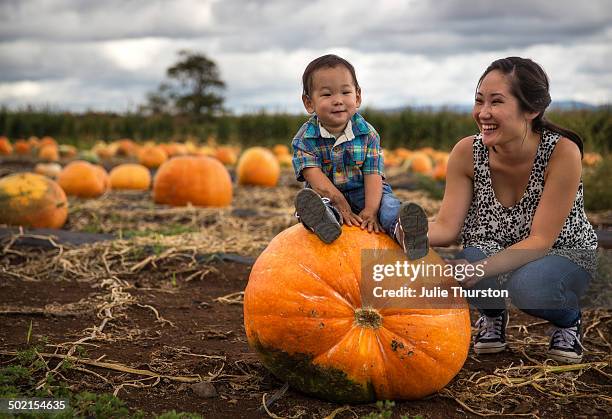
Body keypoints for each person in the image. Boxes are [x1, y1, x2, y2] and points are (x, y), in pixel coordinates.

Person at [428, 57, 598, 363]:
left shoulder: (561, 153)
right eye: (479, 100)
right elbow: (446, 228)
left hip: (561, 253)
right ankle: (493, 316)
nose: (483, 113)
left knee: (530, 286)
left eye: (496, 102)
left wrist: (479, 270)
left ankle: (568, 319)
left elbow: (540, 241)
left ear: (531, 110)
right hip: (497, 251)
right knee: (468, 256)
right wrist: (402, 232)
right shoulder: (467, 152)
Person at [291, 54, 428, 259]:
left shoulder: (368, 134)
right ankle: (328, 221)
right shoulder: (304, 139)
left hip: (366, 190)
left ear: (357, 97)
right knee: (317, 206)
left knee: (388, 207)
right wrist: (340, 203)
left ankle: (404, 232)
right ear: (309, 103)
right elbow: (315, 178)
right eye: (327, 95)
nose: (338, 100)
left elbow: (373, 173)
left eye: (345, 92)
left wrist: (371, 209)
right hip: (327, 194)